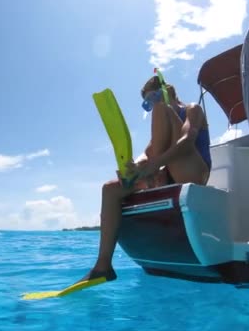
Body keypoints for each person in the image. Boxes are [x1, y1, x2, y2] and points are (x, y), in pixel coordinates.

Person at [78, 75, 212, 284]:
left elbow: (187, 141)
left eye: (155, 96)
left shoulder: (192, 109)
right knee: (110, 189)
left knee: (163, 111)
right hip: (163, 172)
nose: (152, 104)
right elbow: (148, 152)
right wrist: (135, 168)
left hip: (194, 170)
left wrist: (153, 165)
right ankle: (103, 266)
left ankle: (151, 175)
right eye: (147, 103)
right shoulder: (161, 122)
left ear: (169, 91)